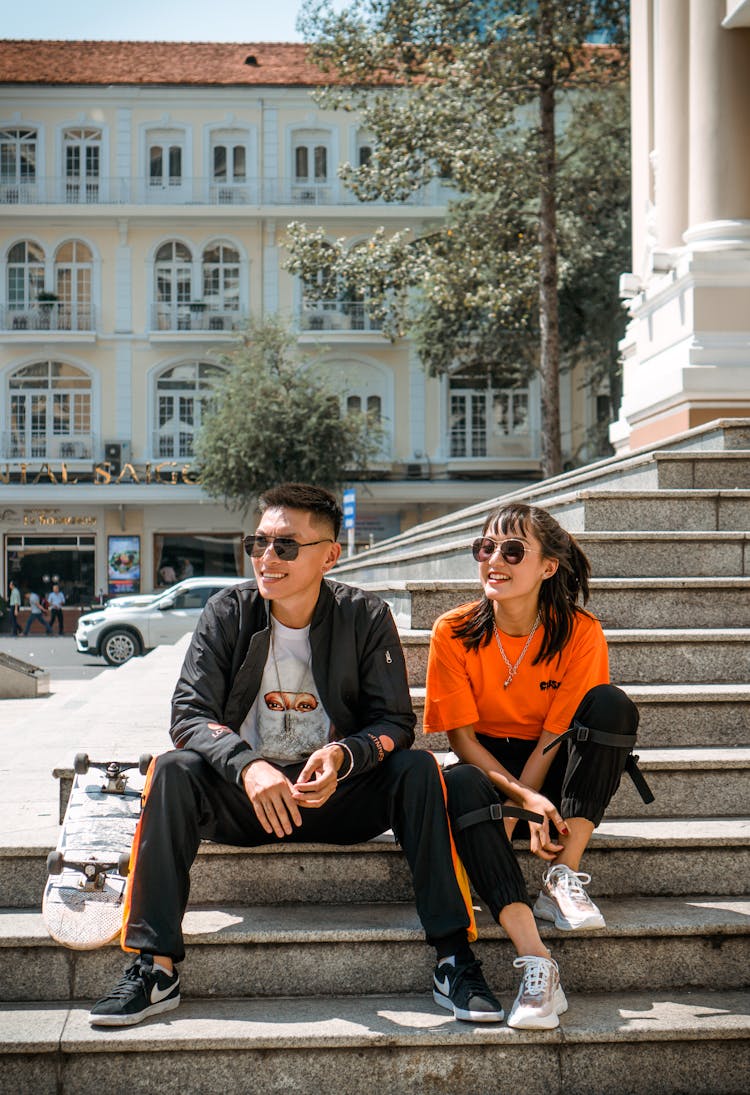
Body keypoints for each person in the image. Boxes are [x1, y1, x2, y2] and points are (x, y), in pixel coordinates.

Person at [90, 482, 548, 1030]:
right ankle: (154, 967)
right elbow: (188, 715)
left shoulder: (364, 615)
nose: (266, 557)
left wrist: (343, 756)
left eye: (286, 546)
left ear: (330, 554)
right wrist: (247, 764)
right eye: (257, 543)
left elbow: (395, 724)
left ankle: (453, 959)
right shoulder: (227, 612)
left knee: (421, 769)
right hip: (249, 801)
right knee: (172, 770)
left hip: (338, 798)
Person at [425, 502, 651, 963]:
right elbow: (463, 741)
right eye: (485, 547)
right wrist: (520, 802)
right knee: (457, 781)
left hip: (552, 763)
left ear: (548, 567)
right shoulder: (452, 631)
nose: (493, 560)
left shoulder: (580, 632)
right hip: (486, 765)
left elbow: (557, 733)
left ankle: (562, 876)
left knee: (611, 706)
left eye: (512, 551)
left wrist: (529, 798)